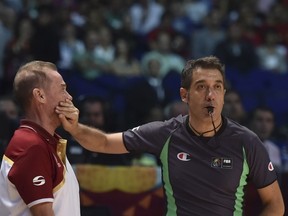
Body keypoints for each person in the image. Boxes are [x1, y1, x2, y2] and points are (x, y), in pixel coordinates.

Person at [57, 56, 284, 215]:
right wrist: (76, 129)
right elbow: (105, 142)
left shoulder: (246, 141)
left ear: (224, 93)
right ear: (184, 95)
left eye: (217, 87)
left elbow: (275, 204)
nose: (211, 95)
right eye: (201, 87)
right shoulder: (166, 133)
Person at [0, 61, 81, 215]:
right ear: (40, 95)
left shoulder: (44, 142)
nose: (69, 97)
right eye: (63, 89)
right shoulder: (31, 146)